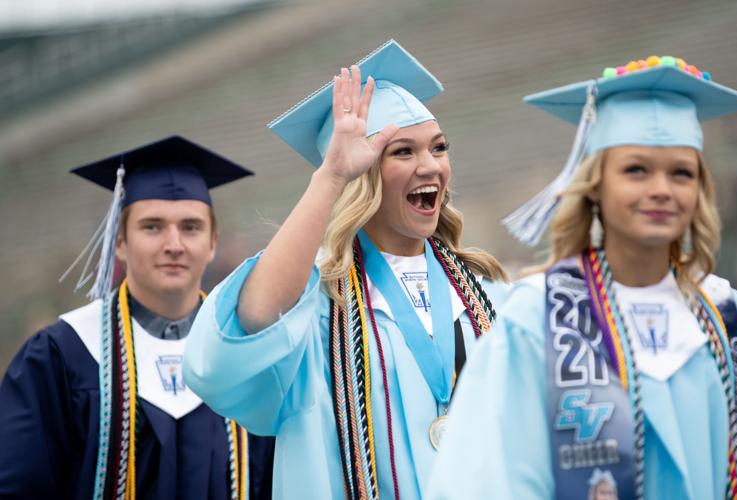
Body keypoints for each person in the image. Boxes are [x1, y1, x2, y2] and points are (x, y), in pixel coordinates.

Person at [182, 40, 509, 499]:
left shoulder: (488, 295)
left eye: (438, 147)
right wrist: (332, 175)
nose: (430, 165)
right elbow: (242, 334)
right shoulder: (319, 310)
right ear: (364, 176)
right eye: (402, 152)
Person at [427, 56, 737, 499]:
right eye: (636, 170)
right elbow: (487, 479)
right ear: (595, 185)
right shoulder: (537, 316)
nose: (661, 189)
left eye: (682, 173)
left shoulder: (727, 316)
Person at [0, 135, 274, 499]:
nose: (173, 244)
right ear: (120, 242)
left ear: (212, 243)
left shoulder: (247, 357)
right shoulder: (63, 355)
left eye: (190, 227)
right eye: (152, 226)